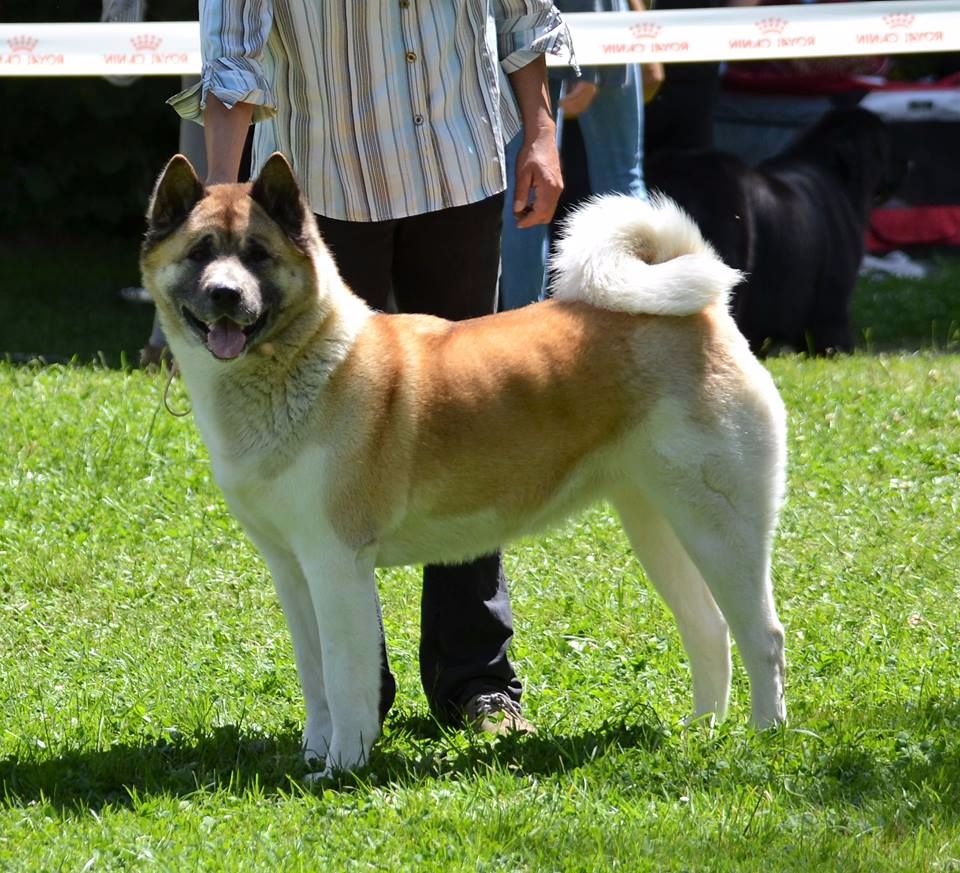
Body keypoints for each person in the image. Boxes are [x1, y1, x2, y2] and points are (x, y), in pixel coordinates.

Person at [169, 1, 575, 736]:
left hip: (460, 166)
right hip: (323, 196)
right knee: (329, 469)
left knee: (466, 436)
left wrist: (541, 128)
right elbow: (232, 53)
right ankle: (356, 693)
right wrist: (220, 212)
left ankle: (477, 678)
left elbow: (524, 11)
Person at [499, 0, 649, 311]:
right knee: (620, 179)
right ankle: (644, 314)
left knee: (526, 190)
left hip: (548, 26)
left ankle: (523, 329)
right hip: (577, 23)